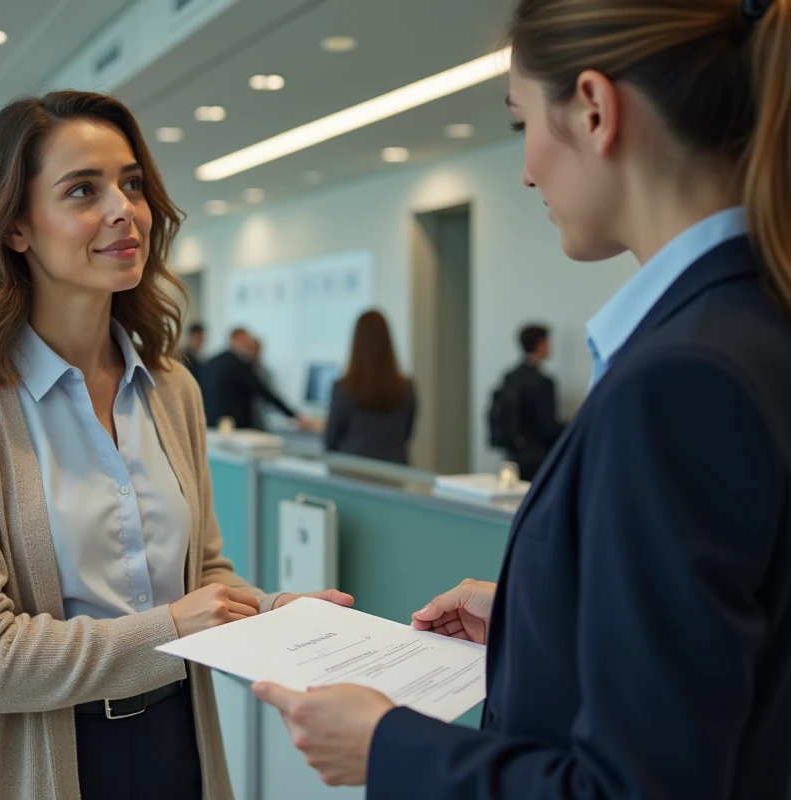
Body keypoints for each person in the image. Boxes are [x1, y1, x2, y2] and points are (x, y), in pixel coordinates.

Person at [254, 0, 791, 796]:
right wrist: (536, 615)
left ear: (597, 110)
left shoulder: (679, 379)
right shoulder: (751, 324)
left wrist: (386, 747)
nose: (528, 169)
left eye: (520, 124)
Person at [0, 90, 351, 800]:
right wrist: (171, 628)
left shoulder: (173, 390)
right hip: (31, 761)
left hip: (177, 744)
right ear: (16, 227)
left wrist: (268, 615)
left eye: (131, 184)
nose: (123, 210)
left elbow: (203, 574)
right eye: (83, 189)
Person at [325, 310, 416, 465]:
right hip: (396, 474)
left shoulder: (344, 388)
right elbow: (406, 434)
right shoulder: (406, 388)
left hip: (352, 472)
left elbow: (329, 441)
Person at [488, 323, 565, 480]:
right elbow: (548, 426)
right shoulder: (543, 382)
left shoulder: (510, 376)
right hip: (536, 457)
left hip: (511, 455)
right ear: (541, 344)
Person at [201, 327, 311, 430]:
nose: (248, 344)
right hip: (236, 426)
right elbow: (264, 392)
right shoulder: (239, 364)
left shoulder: (211, 361)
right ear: (237, 339)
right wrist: (293, 416)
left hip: (212, 423)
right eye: (246, 340)